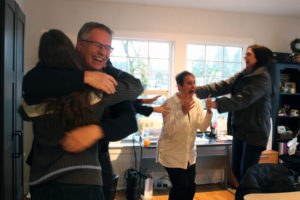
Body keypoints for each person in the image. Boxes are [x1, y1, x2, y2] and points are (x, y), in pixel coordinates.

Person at [22, 26, 143, 200]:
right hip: (49, 172)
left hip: (94, 164)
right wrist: (84, 77)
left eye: (108, 48)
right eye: (97, 45)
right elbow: (31, 82)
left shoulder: (107, 82)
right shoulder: (55, 73)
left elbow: (129, 121)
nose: (103, 51)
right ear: (80, 45)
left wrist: (97, 130)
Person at [195, 44, 273, 183]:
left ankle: (248, 196)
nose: (244, 56)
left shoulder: (262, 79)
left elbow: (244, 99)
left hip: (255, 132)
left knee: (247, 172)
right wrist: (196, 91)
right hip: (240, 129)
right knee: (236, 169)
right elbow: (222, 86)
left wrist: (218, 103)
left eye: (249, 54)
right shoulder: (243, 74)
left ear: (258, 58)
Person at [99, 95, 170, 200]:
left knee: (106, 184)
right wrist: (153, 109)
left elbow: (126, 103)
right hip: (98, 149)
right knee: (104, 185)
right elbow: (126, 105)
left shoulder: (112, 98)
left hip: (102, 148)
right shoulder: (104, 99)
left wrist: (143, 101)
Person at [157, 71, 212, 200]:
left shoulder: (197, 103)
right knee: (181, 187)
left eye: (194, 83)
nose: (193, 86)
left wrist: (209, 112)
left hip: (189, 155)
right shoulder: (169, 104)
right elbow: (169, 131)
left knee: (190, 187)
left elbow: (202, 127)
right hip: (172, 155)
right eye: (189, 83)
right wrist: (182, 113)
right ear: (179, 87)